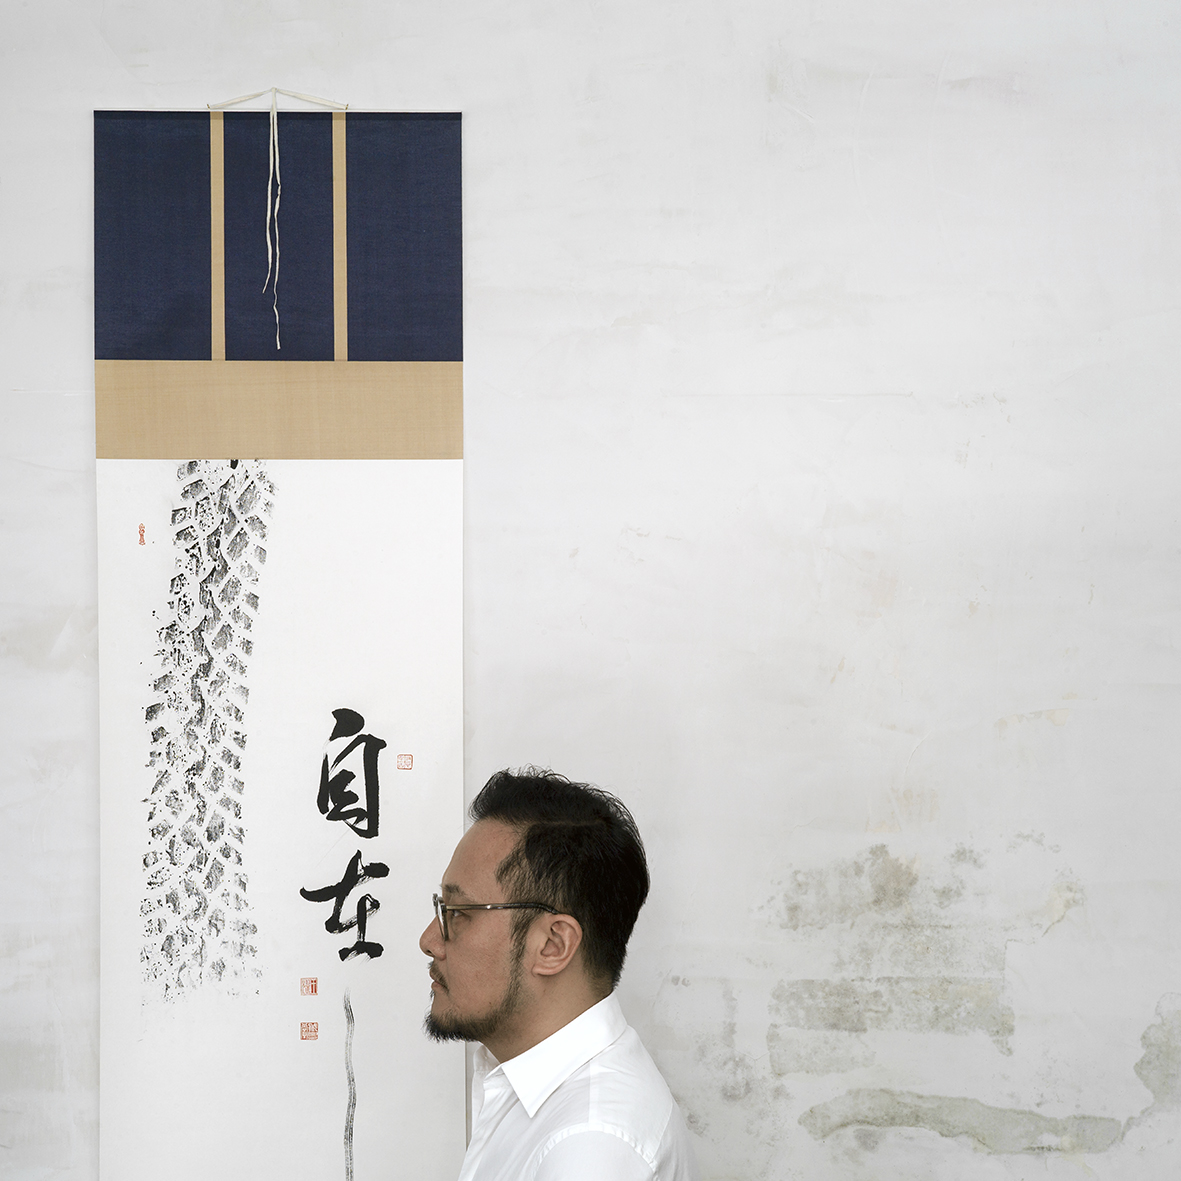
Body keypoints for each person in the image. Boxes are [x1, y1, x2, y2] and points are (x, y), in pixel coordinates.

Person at [420, 767, 699, 1181]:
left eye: (458, 913)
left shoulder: (590, 1146)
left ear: (553, 945)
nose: (429, 941)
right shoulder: (537, 1092)